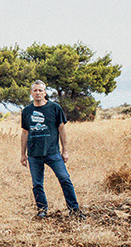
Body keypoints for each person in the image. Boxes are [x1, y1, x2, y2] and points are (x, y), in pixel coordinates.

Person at [20, 80, 84, 219]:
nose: (38, 93)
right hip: (34, 154)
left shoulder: (55, 108)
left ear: (45, 93)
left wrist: (65, 151)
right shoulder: (26, 111)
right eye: (35, 90)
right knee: (37, 184)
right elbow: (25, 132)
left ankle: (74, 210)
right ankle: (42, 210)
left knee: (65, 179)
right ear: (31, 93)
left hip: (52, 152)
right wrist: (23, 154)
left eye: (40, 90)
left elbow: (62, 129)